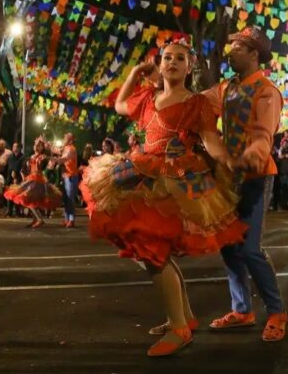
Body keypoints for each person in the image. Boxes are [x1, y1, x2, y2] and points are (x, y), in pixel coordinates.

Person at [81, 39, 246, 356]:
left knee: (153, 252)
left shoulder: (197, 103)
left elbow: (211, 141)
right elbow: (120, 105)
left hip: (173, 183)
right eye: (167, 57)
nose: (172, 62)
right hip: (141, 174)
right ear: (160, 64)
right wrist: (134, 73)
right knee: (151, 252)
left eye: (179, 58)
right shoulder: (148, 97)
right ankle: (183, 318)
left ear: (190, 66)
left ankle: (179, 328)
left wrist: (229, 162)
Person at [202, 26, 288, 342]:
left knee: (250, 249)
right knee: (228, 246)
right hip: (229, 178)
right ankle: (242, 310)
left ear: (254, 54)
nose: (231, 51)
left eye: (238, 47)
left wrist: (254, 154)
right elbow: (198, 106)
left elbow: (264, 134)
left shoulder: (266, 91)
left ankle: (277, 312)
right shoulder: (226, 87)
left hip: (257, 176)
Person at [5, 138, 62, 228]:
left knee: (28, 199)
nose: (36, 147)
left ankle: (39, 219)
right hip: (31, 178)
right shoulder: (32, 156)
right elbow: (27, 168)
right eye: (35, 145)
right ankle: (35, 220)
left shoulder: (42, 156)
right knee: (31, 199)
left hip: (37, 180)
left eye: (39, 145)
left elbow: (48, 164)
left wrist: (46, 157)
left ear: (42, 147)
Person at [50, 133, 79, 228]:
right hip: (66, 176)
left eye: (65, 138)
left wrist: (50, 158)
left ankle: (71, 219)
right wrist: (48, 145)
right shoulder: (66, 148)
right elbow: (56, 150)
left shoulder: (71, 149)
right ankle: (67, 219)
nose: (63, 139)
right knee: (66, 199)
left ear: (70, 140)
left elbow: (63, 159)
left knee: (70, 199)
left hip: (71, 176)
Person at [5, 142, 25, 217]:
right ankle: (9, 211)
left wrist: (17, 177)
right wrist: (7, 179)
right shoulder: (10, 157)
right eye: (13, 146)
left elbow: (23, 169)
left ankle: (17, 212)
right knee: (9, 195)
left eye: (16, 146)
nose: (14, 148)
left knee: (17, 196)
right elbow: (8, 168)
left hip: (18, 178)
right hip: (10, 179)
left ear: (20, 148)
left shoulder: (23, 157)